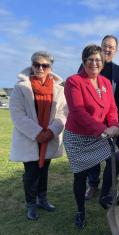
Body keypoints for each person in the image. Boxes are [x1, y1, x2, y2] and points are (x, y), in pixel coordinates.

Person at [64, 44, 119, 229]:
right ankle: (80, 211)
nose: (95, 63)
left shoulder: (104, 82)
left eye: (98, 60)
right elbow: (78, 112)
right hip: (78, 137)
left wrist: (113, 125)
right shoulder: (74, 81)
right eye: (91, 59)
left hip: (98, 134)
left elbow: (112, 107)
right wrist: (104, 130)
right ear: (84, 61)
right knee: (80, 177)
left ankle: (105, 195)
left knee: (116, 155)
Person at [9, 51, 67, 220]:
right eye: (36, 64)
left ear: (50, 67)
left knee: (44, 171)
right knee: (31, 173)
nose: (40, 68)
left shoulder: (58, 89)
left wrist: (51, 131)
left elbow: (63, 112)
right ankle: (31, 204)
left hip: (49, 137)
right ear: (32, 65)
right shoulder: (21, 87)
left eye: (45, 65)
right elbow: (17, 114)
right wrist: (37, 133)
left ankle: (42, 199)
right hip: (30, 138)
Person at [78, 35, 119, 200]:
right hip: (92, 124)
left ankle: (111, 185)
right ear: (101, 46)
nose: (107, 49)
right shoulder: (88, 66)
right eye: (105, 46)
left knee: (114, 157)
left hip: (112, 125)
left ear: (116, 50)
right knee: (93, 158)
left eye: (111, 47)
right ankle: (92, 184)